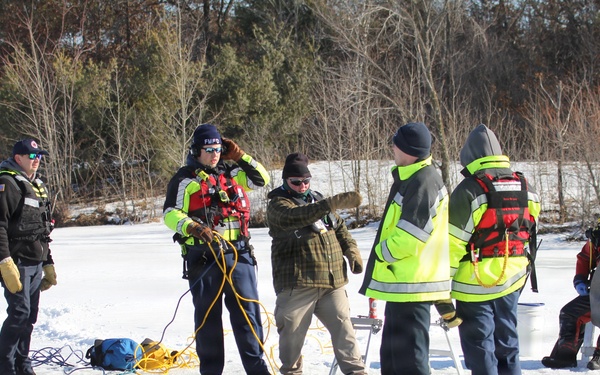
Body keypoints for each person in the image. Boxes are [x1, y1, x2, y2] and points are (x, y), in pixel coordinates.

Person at [163, 124, 271, 375]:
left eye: (219, 149)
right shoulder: (185, 178)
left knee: (248, 315)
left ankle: (257, 369)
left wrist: (241, 156)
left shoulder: (232, 173)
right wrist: (192, 228)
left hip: (239, 255)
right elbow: (170, 213)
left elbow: (261, 179)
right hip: (204, 256)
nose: (214, 154)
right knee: (208, 318)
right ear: (196, 151)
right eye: (209, 150)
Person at [448, 124, 541, 375]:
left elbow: (453, 242)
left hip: (473, 283)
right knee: (508, 343)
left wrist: (442, 281)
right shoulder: (525, 185)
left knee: (480, 348)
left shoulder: (469, 189)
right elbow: (530, 225)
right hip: (512, 278)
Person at [359, 122, 451, 375]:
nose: (392, 148)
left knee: (410, 362)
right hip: (404, 286)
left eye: (395, 144)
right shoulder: (413, 177)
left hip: (414, 285)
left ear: (407, 149)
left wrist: (381, 253)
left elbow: (411, 236)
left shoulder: (423, 180)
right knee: (392, 360)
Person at [266, 152, 367, 375]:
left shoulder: (317, 199)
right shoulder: (277, 205)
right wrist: (331, 203)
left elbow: (340, 228)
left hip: (332, 283)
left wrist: (351, 251)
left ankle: (356, 372)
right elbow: (298, 216)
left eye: (306, 181)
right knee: (291, 338)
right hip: (298, 285)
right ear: (286, 181)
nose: (302, 186)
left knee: (345, 331)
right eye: (296, 182)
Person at [0, 138, 57, 375]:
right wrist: (4, 262)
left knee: (29, 317)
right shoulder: (7, 183)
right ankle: (6, 366)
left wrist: (48, 263)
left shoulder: (35, 185)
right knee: (18, 314)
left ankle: (23, 363)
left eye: (39, 156)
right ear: (18, 159)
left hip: (35, 262)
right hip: (17, 262)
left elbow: (41, 230)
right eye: (32, 156)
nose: (37, 160)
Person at [541, 223, 600, 370]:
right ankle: (565, 355)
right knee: (569, 313)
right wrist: (580, 278)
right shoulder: (597, 236)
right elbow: (585, 256)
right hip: (597, 292)